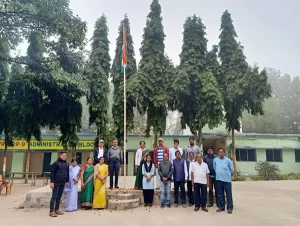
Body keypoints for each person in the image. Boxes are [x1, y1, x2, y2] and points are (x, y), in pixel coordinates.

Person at [213, 148, 234, 214]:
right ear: (218, 153)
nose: (221, 153)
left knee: (228, 194)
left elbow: (232, 169)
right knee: (220, 194)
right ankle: (221, 207)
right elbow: (214, 168)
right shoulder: (215, 160)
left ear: (224, 153)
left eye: (222, 152)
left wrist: (227, 175)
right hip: (218, 180)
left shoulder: (228, 160)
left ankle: (229, 208)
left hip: (227, 180)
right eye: (219, 152)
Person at [49, 151, 69, 217]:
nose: (64, 156)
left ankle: (57, 209)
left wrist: (67, 181)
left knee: (59, 196)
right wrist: (52, 182)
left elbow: (67, 173)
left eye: (65, 155)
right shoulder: (56, 163)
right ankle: (51, 211)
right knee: (54, 197)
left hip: (62, 182)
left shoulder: (66, 164)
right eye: (63, 155)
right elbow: (52, 173)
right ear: (60, 156)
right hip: (56, 182)